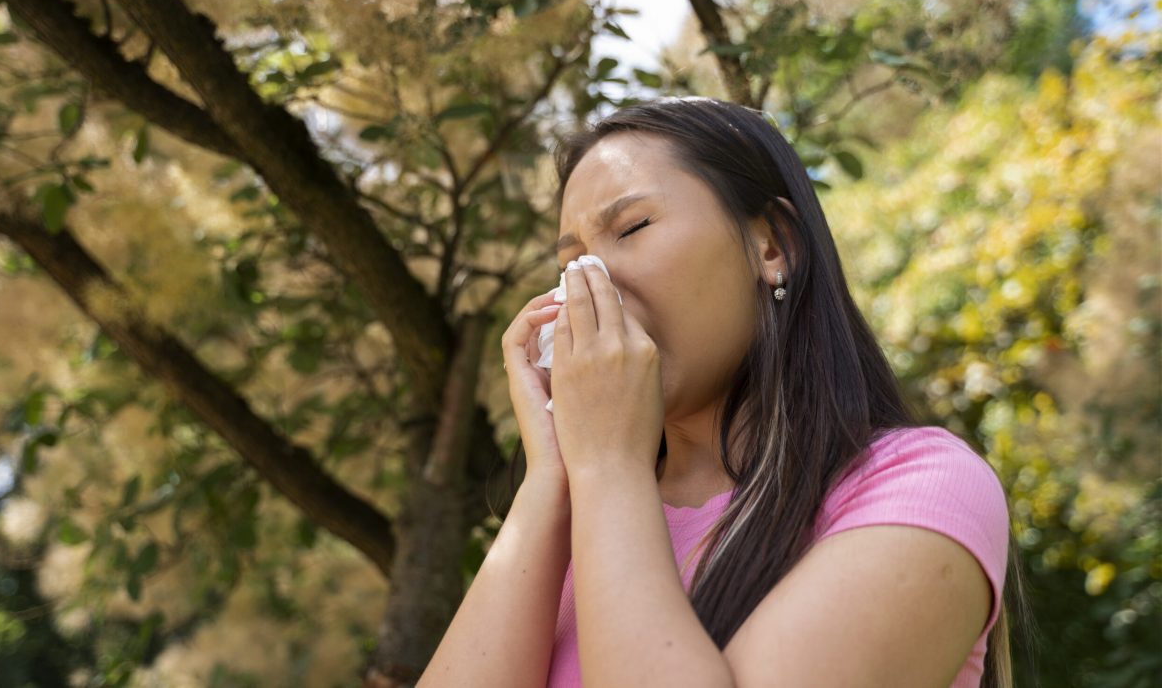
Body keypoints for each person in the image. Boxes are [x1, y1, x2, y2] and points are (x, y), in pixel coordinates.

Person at [419, 96, 1036, 687]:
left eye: (631, 227)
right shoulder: (575, 527)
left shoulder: (918, 486)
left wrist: (608, 466)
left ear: (774, 245)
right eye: (570, 262)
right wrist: (551, 477)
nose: (589, 284)